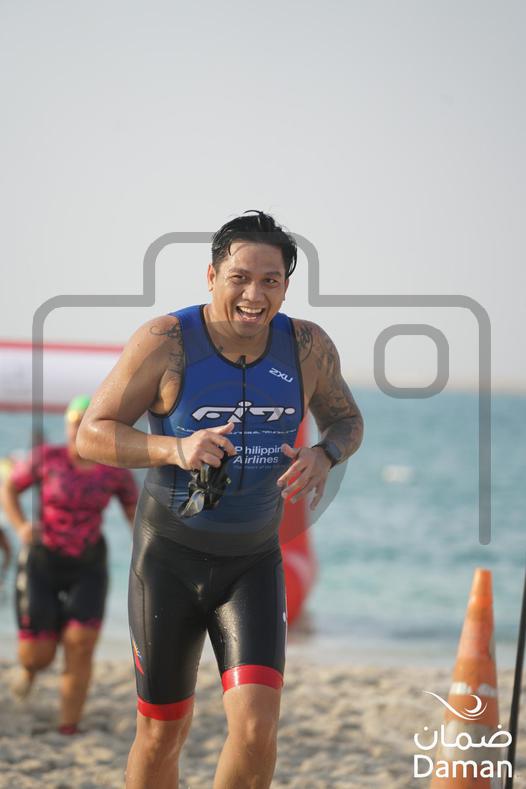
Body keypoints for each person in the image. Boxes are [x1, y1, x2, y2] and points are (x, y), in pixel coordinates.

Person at [77, 211, 364, 788]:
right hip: (168, 562)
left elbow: (347, 420)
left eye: (270, 280)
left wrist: (325, 454)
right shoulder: (166, 341)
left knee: (257, 730)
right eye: (240, 278)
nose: (255, 295)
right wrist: (174, 448)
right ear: (211, 277)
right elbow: (92, 434)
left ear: (285, 286)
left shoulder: (306, 346)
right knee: (161, 734)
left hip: (252, 562)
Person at [0, 394, 138, 733]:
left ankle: (68, 725)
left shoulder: (114, 470)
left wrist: (148, 552)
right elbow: (9, 489)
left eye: (88, 423)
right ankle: (30, 670)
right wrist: (20, 526)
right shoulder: (47, 458)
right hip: (42, 561)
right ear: (67, 426)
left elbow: (134, 513)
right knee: (38, 655)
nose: (80, 430)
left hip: (88, 564)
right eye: (75, 423)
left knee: (81, 645)